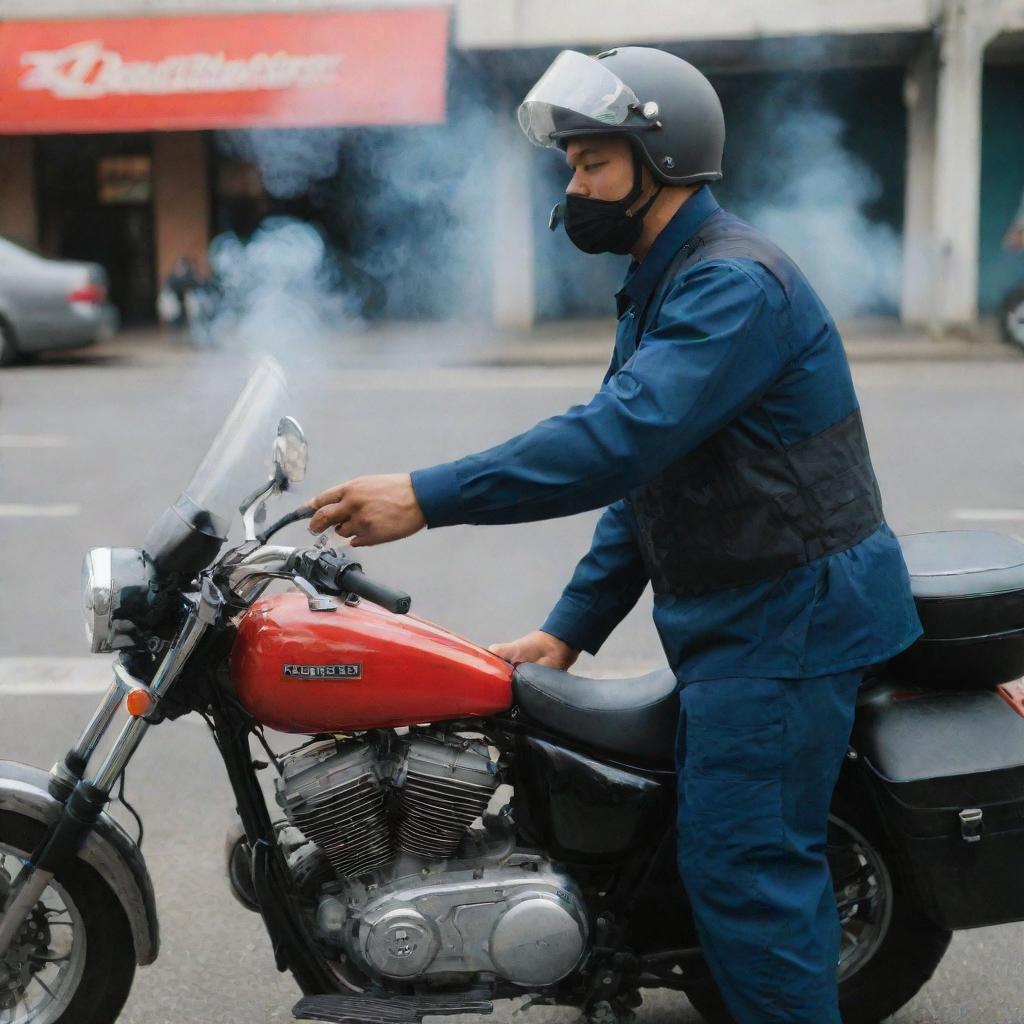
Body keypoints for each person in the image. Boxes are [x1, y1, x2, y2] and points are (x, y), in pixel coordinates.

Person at [308, 47, 922, 1024]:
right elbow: (650, 475)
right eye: (570, 164)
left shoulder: (731, 288)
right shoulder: (664, 279)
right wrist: (569, 627)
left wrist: (427, 495)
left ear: (661, 158)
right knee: (707, 855)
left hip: (784, 630)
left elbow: (614, 439)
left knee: (750, 880)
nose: (573, 185)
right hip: (739, 618)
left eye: (592, 162)